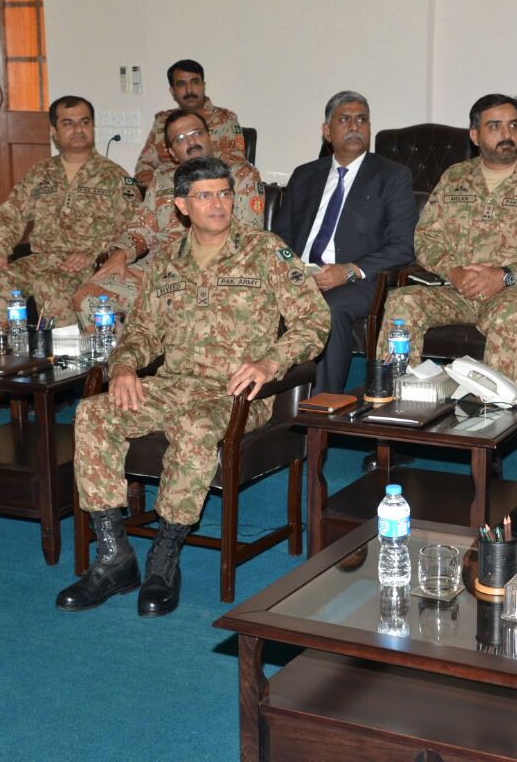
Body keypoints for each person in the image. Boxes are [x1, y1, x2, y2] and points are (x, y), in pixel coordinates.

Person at [57, 156, 330, 616]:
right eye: (205, 195)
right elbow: (142, 332)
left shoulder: (266, 251)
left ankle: (165, 555)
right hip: (173, 384)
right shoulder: (164, 263)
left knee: (197, 426)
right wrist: (122, 366)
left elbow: (313, 320)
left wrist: (270, 361)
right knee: (93, 413)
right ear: (182, 205)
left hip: (237, 394)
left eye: (225, 193)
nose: (219, 203)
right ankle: (114, 556)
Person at [377, 93, 517, 382]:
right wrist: (453, 271)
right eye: (495, 126)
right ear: (475, 135)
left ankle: (495, 414)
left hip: (515, 292)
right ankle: (395, 396)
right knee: (402, 302)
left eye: (513, 125)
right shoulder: (455, 177)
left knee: (512, 315)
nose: (506, 134)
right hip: (456, 289)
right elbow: (426, 238)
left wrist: (505, 275)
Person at [273, 90, 417, 393]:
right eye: (344, 119)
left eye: (362, 119)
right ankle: (264, 402)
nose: (355, 126)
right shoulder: (304, 175)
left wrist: (348, 271)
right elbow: (281, 237)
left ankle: (321, 407)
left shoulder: (391, 175)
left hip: (362, 282)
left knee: (327, 306)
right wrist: (289, 272)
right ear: (327, 131)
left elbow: (403, 246)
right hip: (301, 276)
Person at [72, 108, 266, 326]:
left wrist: (172, 275)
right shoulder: (163, 179)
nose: (191, 142)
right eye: (181, 139)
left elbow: (246, 238)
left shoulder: (239, 175)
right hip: (154, 270)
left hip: (211, 274)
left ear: (210, 137)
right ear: (172, 152)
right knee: (89, 297)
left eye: (197, 133)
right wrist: (121, 254)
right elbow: (140, 228)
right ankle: (124, 356)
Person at [0, 95, 137, 324]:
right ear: (54, 131)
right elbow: (11, 214)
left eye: (85, 122)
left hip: (90, 263)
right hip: (43, 259)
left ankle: (64, 355)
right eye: (68, 123)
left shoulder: (114, 176)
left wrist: (95, 251)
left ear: (93, 127)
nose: (78, 129)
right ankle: (5, 350)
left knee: (50, 284)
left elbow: (133, 227)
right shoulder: (40, 173)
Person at [132, 59, 246, 189]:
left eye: (195, 82)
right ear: (172, 91)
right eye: (181, 84)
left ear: (203, 86)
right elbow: (145, 164)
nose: (189, 90)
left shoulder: (225, 120)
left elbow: (234, 164)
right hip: (167, 194)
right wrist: (156, 187)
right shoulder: (162, 122)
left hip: (209, 192)